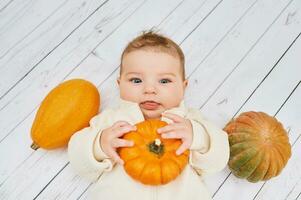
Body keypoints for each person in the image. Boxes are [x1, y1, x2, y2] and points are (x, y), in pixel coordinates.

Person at [68, 30, 229, 200]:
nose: (149, 89)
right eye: (136, 80)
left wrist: (199, 137)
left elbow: (219, 159)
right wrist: (99, 145)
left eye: (164, 81)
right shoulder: (111, 122)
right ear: (119, 84)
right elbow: (78, 158)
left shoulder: (190, 122)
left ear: (183, 87)